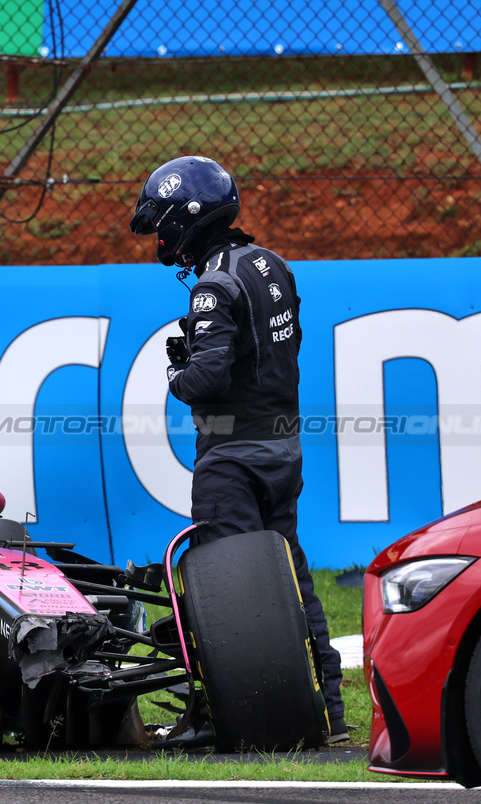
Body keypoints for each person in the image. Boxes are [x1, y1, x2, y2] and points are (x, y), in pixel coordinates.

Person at [129, 155, 348, 745]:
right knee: (292, 580)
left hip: (231, 456)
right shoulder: (271, 264)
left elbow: (204, 380)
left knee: (226, 591)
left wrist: (176, 372)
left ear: (185, 219)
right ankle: (330, 711)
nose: (160, 238)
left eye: (161, 224)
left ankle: (221, 714)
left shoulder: (213, 284)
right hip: (282, 448)